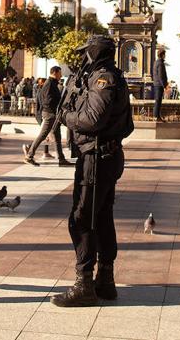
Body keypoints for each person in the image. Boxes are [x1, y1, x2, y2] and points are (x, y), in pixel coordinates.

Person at [52, 35, 133, 307]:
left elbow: (92, 119)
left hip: (97, 158)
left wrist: (67, 117)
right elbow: (128, 125)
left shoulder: (103, 79)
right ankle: (105, 281)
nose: (84, 57)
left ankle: (85, 282)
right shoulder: (112, 77)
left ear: (95, 53)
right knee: (101, 217)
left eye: (87, 53)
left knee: (82, 219)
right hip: (103, 155)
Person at [24, 66, 71, 166]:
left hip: (53, 114)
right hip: (50, 114)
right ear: (55, 72)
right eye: (60, 73)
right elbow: (47, 101)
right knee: (42, 135)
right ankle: (29, 156)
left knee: (57, 137)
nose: (61, 75)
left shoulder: (52, 83)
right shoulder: (49, 84)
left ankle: (61, 159)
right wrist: (56, 109)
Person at [152, 48, 168, 121]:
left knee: (157, 100)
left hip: (156, 84)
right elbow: (161, 76)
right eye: (165, 54)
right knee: (158, 101)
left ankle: (157, 116)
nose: (165, 56)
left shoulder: (156, 62)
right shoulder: (160, 63)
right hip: (159, 85)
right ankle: (156, 116)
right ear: (162, 55)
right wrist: (164, 86)